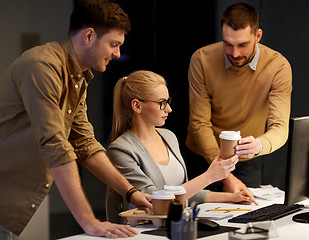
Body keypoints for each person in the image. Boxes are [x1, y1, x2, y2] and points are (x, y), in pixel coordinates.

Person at [0, 0, 152, 238]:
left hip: (16, 200)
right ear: (89, 36)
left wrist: (130, 192)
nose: (117, 54)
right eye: (113, 44)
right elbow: (55, 145)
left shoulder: (77, 77)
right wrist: (90, 222)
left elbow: (84, 144)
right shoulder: (42, 66)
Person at [105, 70, 257, 223]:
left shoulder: (168, 137)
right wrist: (209, 176)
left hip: (173, 226)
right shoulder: (120, 150)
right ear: (137, 106)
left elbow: (186, 193)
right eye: (161, 103)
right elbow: (156, 202)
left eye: (168, 102)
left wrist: (232, 197)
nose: (169, 109)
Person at [185, 2, 292, 191]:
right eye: (228, 44)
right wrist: (223, 173)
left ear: (258, 36)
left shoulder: (278, 66)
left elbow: (280, 127)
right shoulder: (202, 59)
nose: (234, 53)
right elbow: (199, 123)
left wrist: (259, 145)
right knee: (197, 217)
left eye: (242, 45)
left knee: (245, 217)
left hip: (246, 160)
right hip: (203, 156)